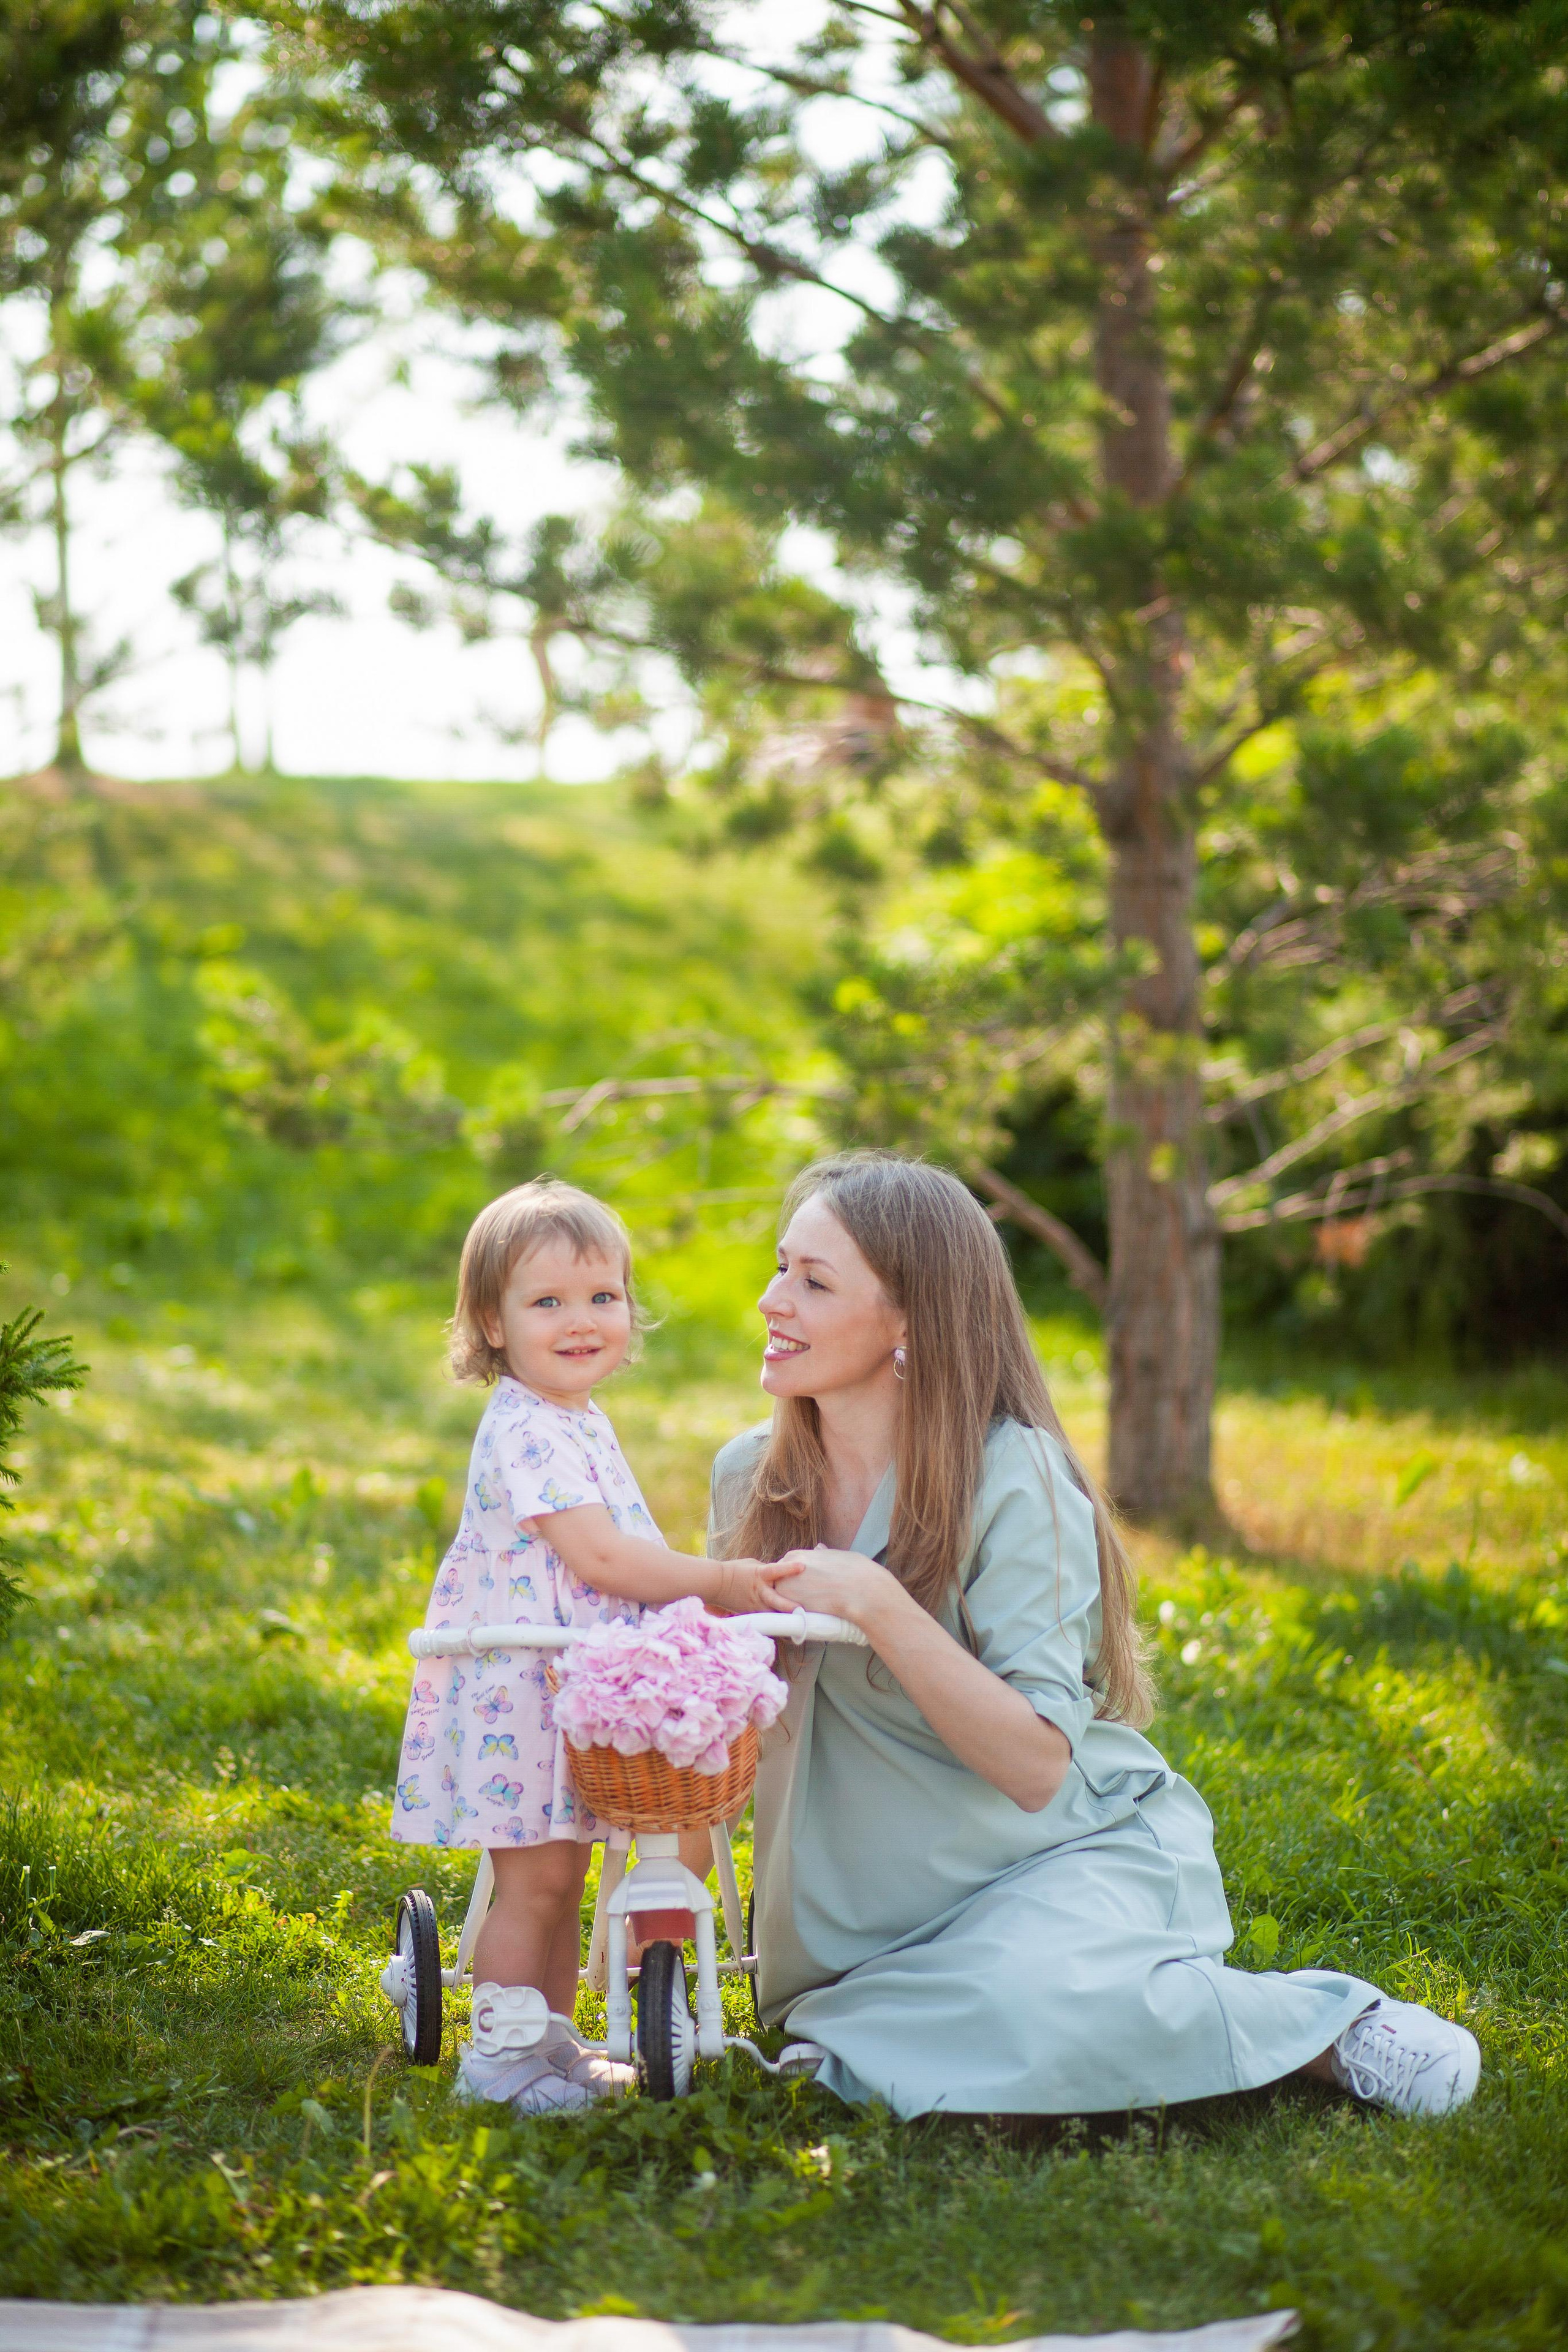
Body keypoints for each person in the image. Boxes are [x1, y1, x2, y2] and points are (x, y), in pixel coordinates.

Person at [712, 1152, 1482, 2122]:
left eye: (813, 1282)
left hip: (1051, 1862)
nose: (771, 1300)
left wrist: (880, 1605)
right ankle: (920, 2030)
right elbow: (731, 1710)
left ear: (910, 1322)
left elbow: (1035, 1768)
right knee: (866, 2036)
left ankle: (1327, 2027)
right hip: (854, 1918)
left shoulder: (1013, 1478)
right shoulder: (748, 1477)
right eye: (782, 1266)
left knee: (1032, 2010)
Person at [393, 1178, 785, 2113]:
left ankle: (551, 2043)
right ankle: (498, 2062)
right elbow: (601, 1557)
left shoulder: (575, 1415)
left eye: (602, 1297)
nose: (582, 1321)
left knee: (562, 1870)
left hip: (564, 1682)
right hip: (522, 1684)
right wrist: (719, 1583)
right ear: (492, 1323)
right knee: (535, 1882)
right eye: (548, 1302)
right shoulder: (528, 1427)